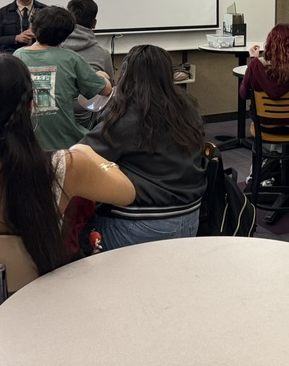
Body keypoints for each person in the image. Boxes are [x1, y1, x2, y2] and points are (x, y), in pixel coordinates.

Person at [0, 54, 135, 276]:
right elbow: (126, 193)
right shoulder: (66, 166)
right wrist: (87, 152)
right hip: (41, 304)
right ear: (31, 106)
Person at [80, 46, 208, 249]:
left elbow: (82, 156)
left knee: (73, 234)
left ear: (127, 74)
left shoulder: (126, 116)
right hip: (192, 219)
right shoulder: (188, 107)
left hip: (143, 225)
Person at [14, 6, 111, 150]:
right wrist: (101, 76)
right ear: (66, 35)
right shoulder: (71, 58)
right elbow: (106, 90)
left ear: (33, 30)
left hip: (25, 143)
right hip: (65, 143)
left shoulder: (17, 56)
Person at [62, 0, 114, 127]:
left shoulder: (55, 48)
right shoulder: (103, 54)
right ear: (94, 23)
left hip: (56, 119)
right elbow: (110, 92)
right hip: (88, 122)